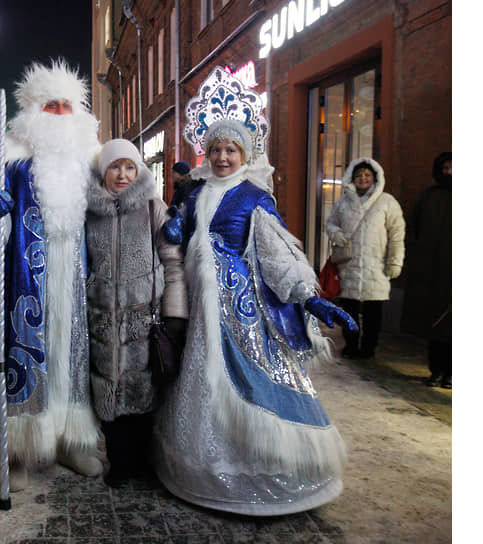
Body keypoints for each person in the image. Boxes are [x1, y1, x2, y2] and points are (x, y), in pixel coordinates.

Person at [154, 67, 358, 516]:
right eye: (216, 149)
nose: (223, 157)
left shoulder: (253, 197)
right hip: (197, 312)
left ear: (243, 153)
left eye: (231, 149)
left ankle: (260, 474)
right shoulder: (193, 193)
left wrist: (312, 297)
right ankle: (205, 472)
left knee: (250, 384)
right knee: (200, 385)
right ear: (206, 153)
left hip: (241, 315)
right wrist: (172, 231)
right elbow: (172, 245)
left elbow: (277, 254)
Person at [0, 59, 103, 490]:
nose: (59, 114)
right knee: (23, 354)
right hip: (27, 272)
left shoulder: (91, 158)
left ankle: (71, 439)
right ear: (33, 109)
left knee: (72, 355)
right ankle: (18, 449)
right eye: (50, 105)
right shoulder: (13, 158)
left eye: (65, 106)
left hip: (76, 273)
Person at [84, 139, 187, 487]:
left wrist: (175, 314)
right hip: (101, 321)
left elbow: (172, 261)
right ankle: (119, 462)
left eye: (130, 167)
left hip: (145, 320)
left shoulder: (151, 207)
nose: (123, 174)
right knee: (107, 392)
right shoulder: (90, 211)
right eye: (115, 167)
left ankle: (143, 463)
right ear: (104, 171)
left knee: (143, 394)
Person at [326, 158, 406, 359]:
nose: (363, 178)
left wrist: (395, 261)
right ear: (352, 178)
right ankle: (351, 345)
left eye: (367, 175)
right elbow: (331, 223)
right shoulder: (343, 202)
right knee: (349, 309)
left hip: (376, 265)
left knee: (373, 311)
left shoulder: (387, 202)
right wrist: (335, 233)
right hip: (349, 265)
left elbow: (397, 234)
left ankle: (368, 349)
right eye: (359, 175)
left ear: (375, 178)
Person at [401, 152, 451, 388]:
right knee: (435, 328)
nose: (449, 173)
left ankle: (450, 373)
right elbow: (413, 230)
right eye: (446, 168)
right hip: (432, 273)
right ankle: (436, 370)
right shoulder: (428, 198)